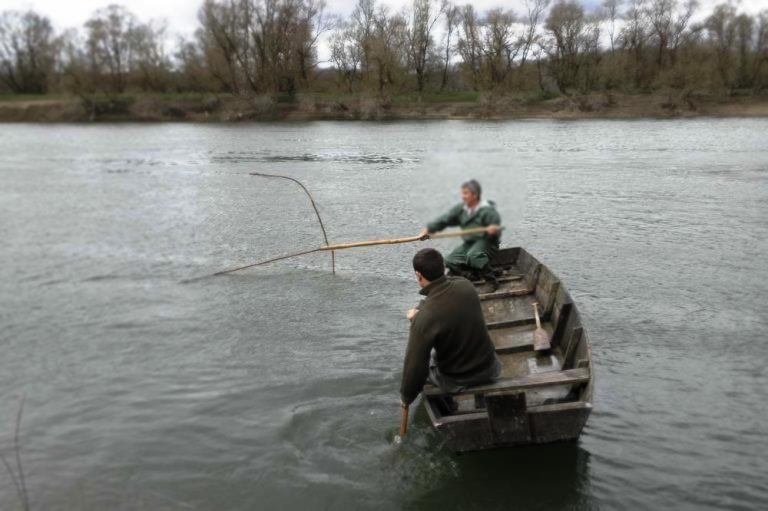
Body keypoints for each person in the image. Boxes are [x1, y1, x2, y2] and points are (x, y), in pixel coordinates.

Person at [400, 248, 502, 413]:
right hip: (489, 367)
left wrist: (406, 397)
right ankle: (481, 401)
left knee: (428, 366)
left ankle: (450, 407)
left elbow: (415, 365)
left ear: (418, 275)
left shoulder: (425, 318)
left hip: (459, 378)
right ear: (442, 267)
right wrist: (420, 312)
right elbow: (444, 292)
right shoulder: (466, 286)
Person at [419, 180, 501, 289]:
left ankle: (491, 281)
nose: (463, 197)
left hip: (487, 243)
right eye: (462, 193)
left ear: (475, 195)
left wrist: (493, 230)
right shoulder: (462, 209)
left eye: (466, 193)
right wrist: (429, 229)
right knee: (449, 260)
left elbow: (496, 229)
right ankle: (471, 276)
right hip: (470, 244)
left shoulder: (488, 210)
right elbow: (445, 219)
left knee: (473, 256)